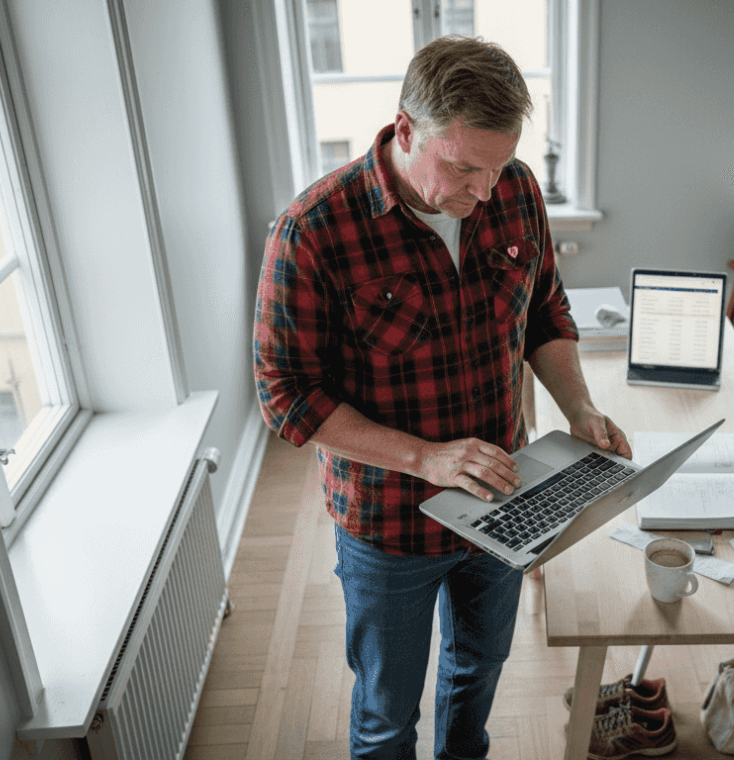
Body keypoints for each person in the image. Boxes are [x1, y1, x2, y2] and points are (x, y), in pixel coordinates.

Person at [253, 36, 631, 760]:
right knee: (386, 714)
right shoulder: (314, 230)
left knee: (478, 672)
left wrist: (579, 408)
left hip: (505, 497)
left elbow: (544, 310)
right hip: (388, 525)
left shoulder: (515, 190)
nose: (485, 191)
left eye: (498, 167)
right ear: (406, 130)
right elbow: (285, 395)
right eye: (463, 168)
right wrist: (425, 458)